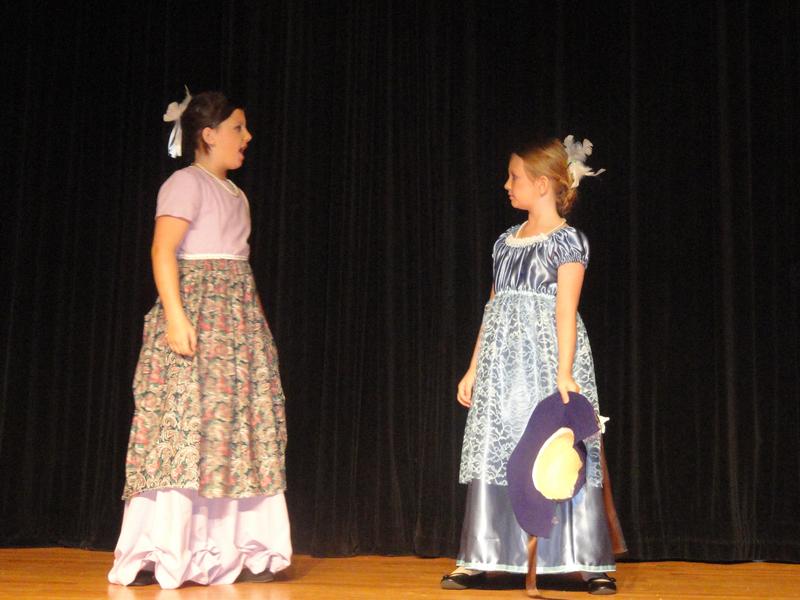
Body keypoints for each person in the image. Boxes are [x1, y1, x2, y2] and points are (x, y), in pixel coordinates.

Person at [108, 89, 291, 589]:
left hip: (236, 320)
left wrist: (254, 331)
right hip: (198, 313)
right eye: (237, 128)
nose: (247, 137)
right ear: (208, 135)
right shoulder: (185, 182)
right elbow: (162, 250)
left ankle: (232, 547)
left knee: (235, 430)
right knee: (187, 427)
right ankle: (168, 547)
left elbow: (237, 267)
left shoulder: (236, 194)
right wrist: (175, 315)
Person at [441, 137, 625, 596]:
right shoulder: (506, 242)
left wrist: (564, 371)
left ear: (542, 185)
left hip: (547, 358)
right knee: (499, 445)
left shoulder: (567, 241)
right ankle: (481, 555)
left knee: (556, 447)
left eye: (515, 177)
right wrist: (473, 367)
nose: (507, 185)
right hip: (504, 364)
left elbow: (566, 312)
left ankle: (584, 559)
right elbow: (493, 308)